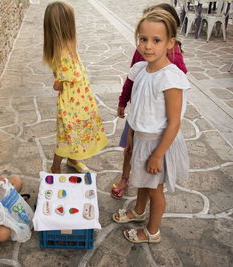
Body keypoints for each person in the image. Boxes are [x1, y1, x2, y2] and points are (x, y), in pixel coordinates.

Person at [112, 10, 190, 243]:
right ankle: (138, 210)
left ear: (170, 43)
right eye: (143, 39)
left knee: (155, 190)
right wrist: (133, 135)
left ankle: (152, 231)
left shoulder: (170, 78)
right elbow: (140, 108)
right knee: (143, 182)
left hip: (158, 144)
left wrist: (157, 155)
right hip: (142, 140)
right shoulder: (141, 70)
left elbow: (174, 122)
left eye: (156, 40)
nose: (148, 46)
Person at [43, 1, 108, 174]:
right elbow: (59, 82)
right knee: (65, 135)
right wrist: (59, 82)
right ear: (66, 26)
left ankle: (72, 159)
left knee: (73, 134)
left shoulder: (64, 47)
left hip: (79, 101)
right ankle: (55, 167)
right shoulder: (63, 52)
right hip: (72, 105)